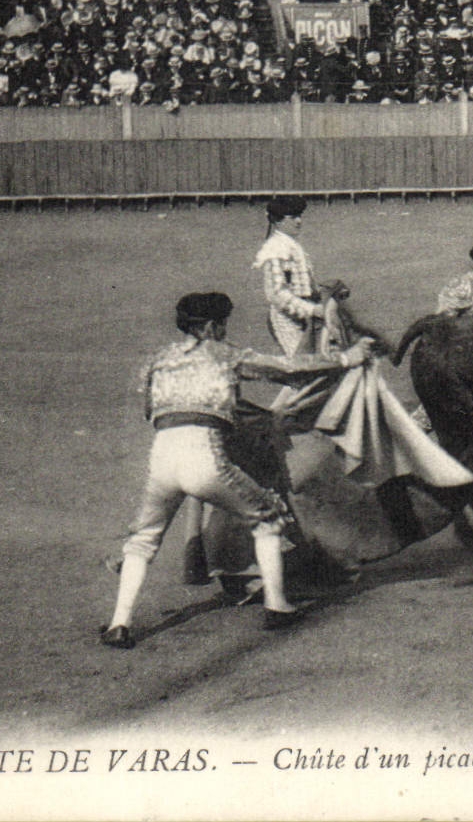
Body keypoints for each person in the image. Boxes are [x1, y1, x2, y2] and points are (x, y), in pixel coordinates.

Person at [100, 292, 373, 648]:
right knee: (267, 517)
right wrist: (345, 358)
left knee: (142, 539)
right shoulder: (226, 354)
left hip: (162, 458)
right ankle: (277, 605)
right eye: (223, 323)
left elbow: (150, 411)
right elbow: (286, 370)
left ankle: (119, 625)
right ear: (212, 326)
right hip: (206, 460)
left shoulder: (157, 359)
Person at [253, 196, 322, 355]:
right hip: (286, 319)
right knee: (301, 363)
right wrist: (312, 310)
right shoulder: (275, 249)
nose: (299, 221)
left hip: (303, 314)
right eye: (293, 217)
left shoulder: (291, 245)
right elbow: (277, 294)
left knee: (313, 361)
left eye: (299, 216)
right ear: (278, 221)